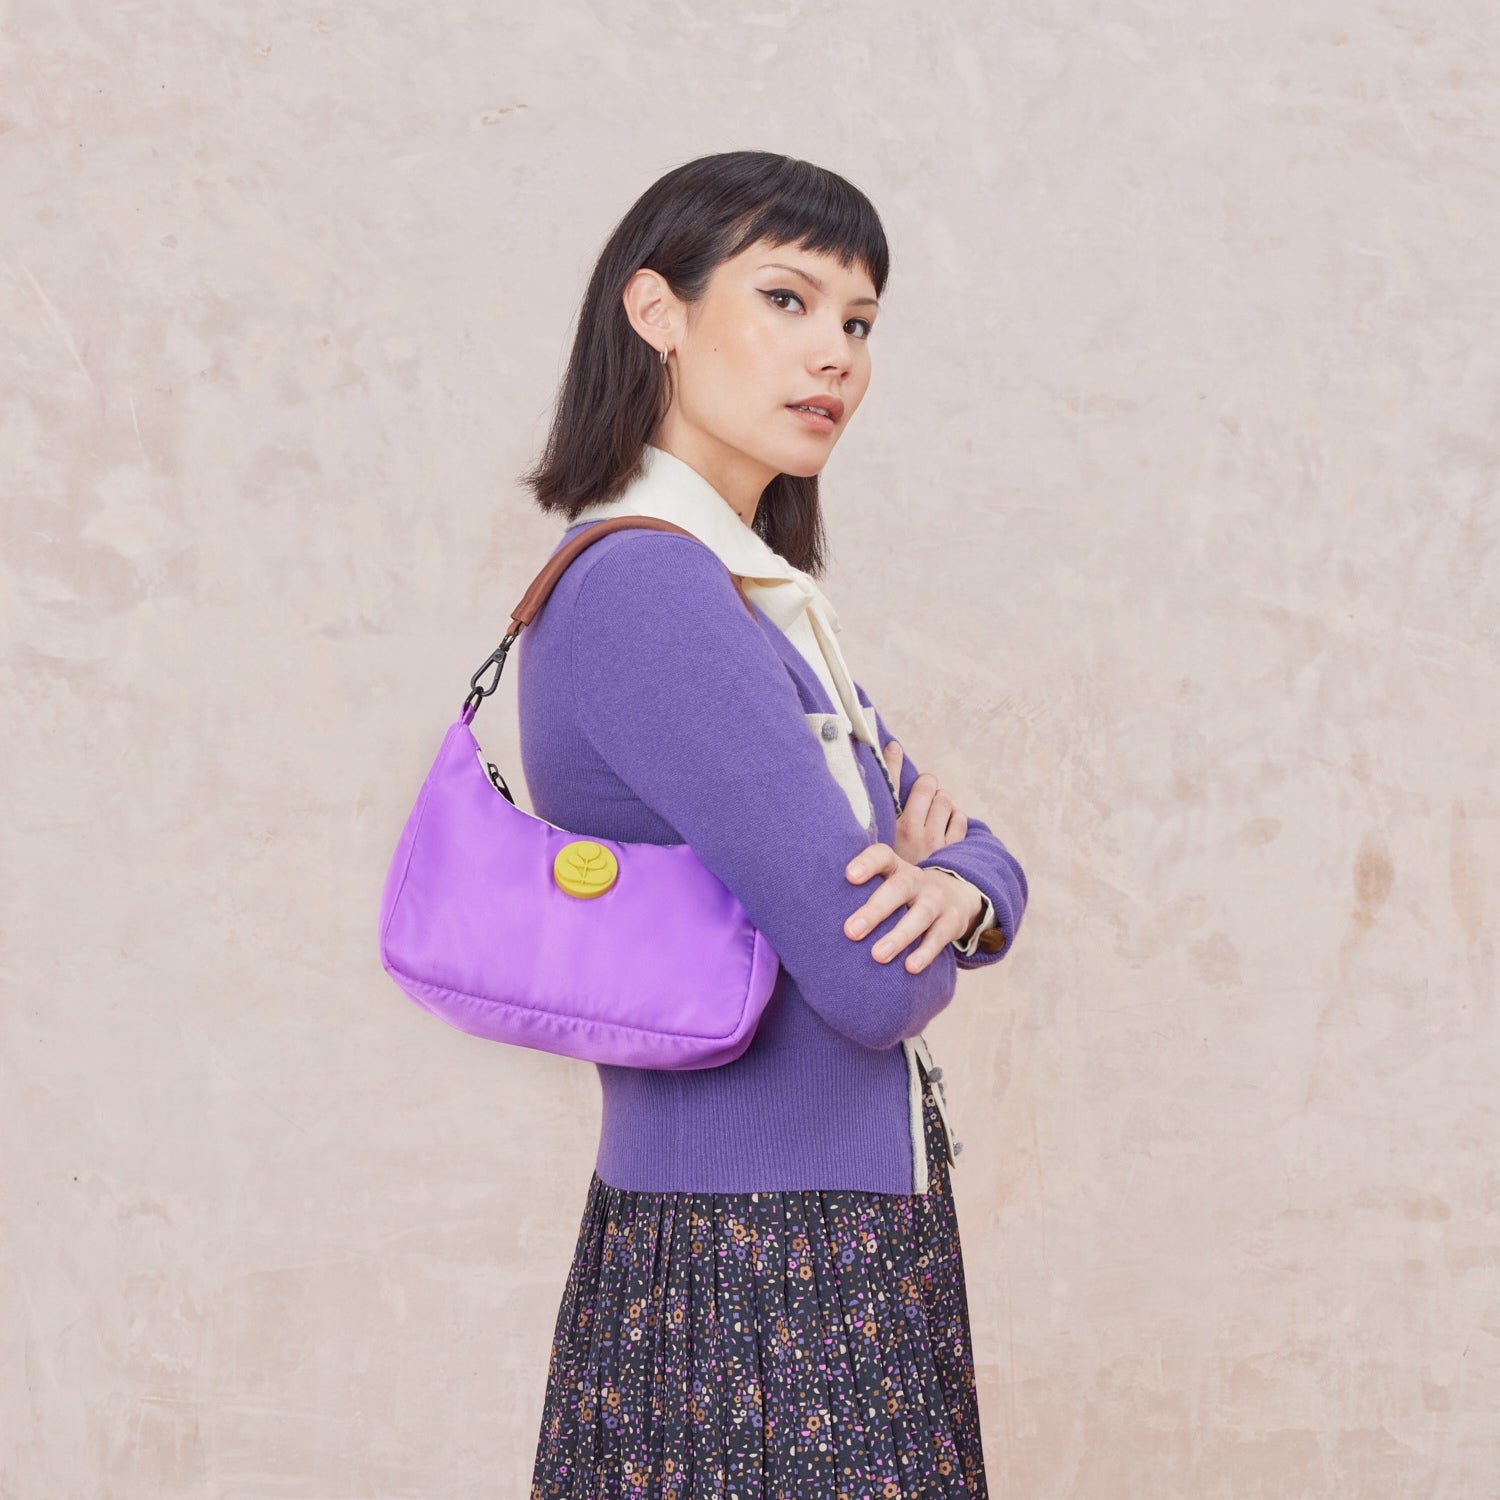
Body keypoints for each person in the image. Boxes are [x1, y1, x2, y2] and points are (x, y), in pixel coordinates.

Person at [515, 150, 1028, 1498]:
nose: (836, 356)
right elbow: (870, 975)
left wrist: (963, 882)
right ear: (658, 312)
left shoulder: (758, 605)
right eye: (789, 300)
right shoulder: (653, 597)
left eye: (859, 323)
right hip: (757, 1268)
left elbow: (965, 849)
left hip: (820, 1241)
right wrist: (943, 888)